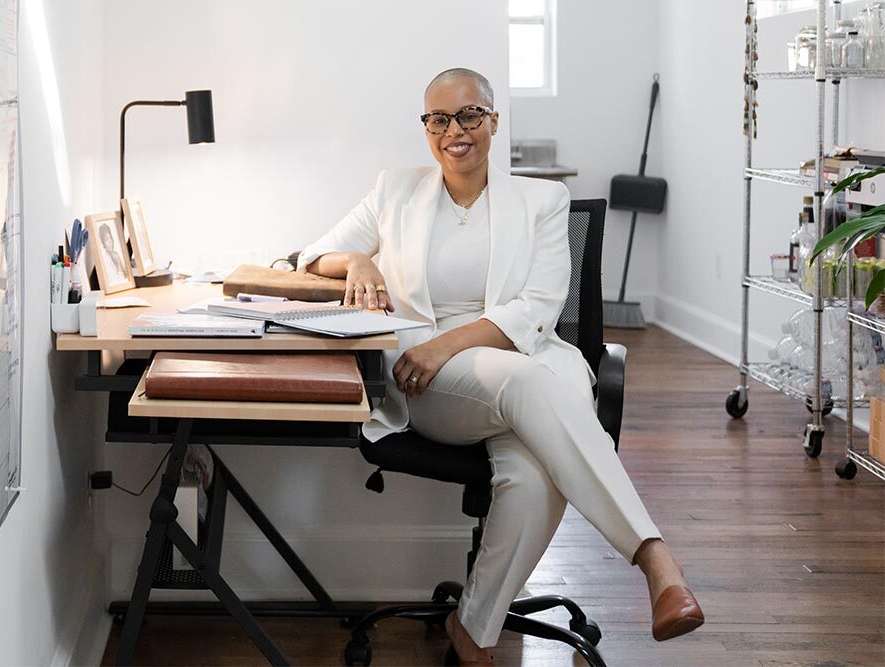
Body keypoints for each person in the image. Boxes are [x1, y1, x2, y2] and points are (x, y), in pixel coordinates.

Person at [297, 68, 704, 666]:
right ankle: (656, 560)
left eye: (468, 115)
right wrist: (359, 260)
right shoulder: (395, 191)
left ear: (492, 119)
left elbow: (538, 308)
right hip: (435, 382)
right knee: (536, 385)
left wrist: (448, 342)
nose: (453, 131)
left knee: (533, 471)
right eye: (438, 119)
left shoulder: (543, 199)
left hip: (525, 356)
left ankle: (475, 632)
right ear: (426, 127)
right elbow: (309, 255)